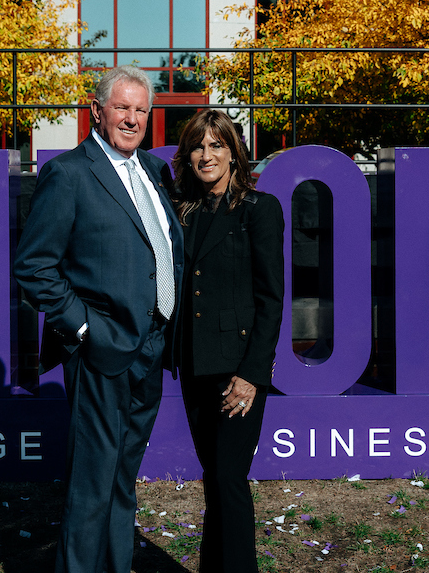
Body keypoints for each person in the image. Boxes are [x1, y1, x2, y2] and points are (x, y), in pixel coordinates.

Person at [13, 65, 184, 573]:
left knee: (122, 477)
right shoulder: (69, 173)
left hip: (152, 346)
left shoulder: (156, 170)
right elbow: (33, 266)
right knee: (92, 483)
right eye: (122, 107)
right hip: (100, 350)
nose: (131, 118)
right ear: (97, 110)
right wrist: (86, 328)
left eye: (140, 109)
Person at [169, 110, 284, 573]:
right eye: (198, 146)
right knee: (214, 481)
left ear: (235, 154)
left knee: (228, 478)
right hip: (195, 366)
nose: (207, 155)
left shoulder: (260, 209)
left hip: (237, 372)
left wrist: (252, 376)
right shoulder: (183, 211)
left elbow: (271, 299)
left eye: (217, 145)